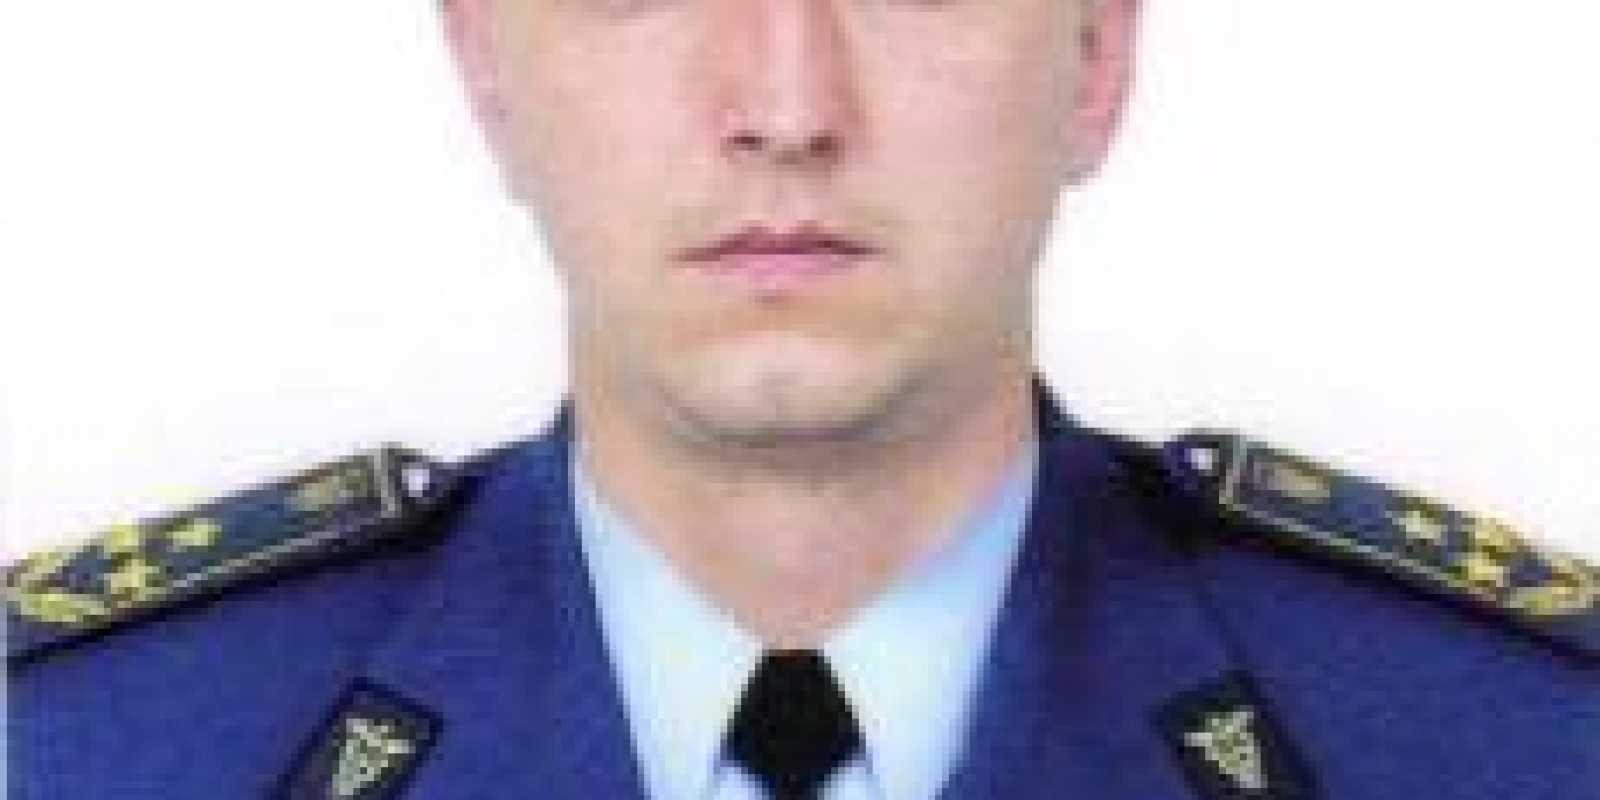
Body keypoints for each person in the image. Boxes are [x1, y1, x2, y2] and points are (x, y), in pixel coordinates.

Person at [7, 1, 1596, 798]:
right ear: (484, 61)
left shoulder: (1524, 746)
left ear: (1098, 58)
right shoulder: (85, 749)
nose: (786, 106)